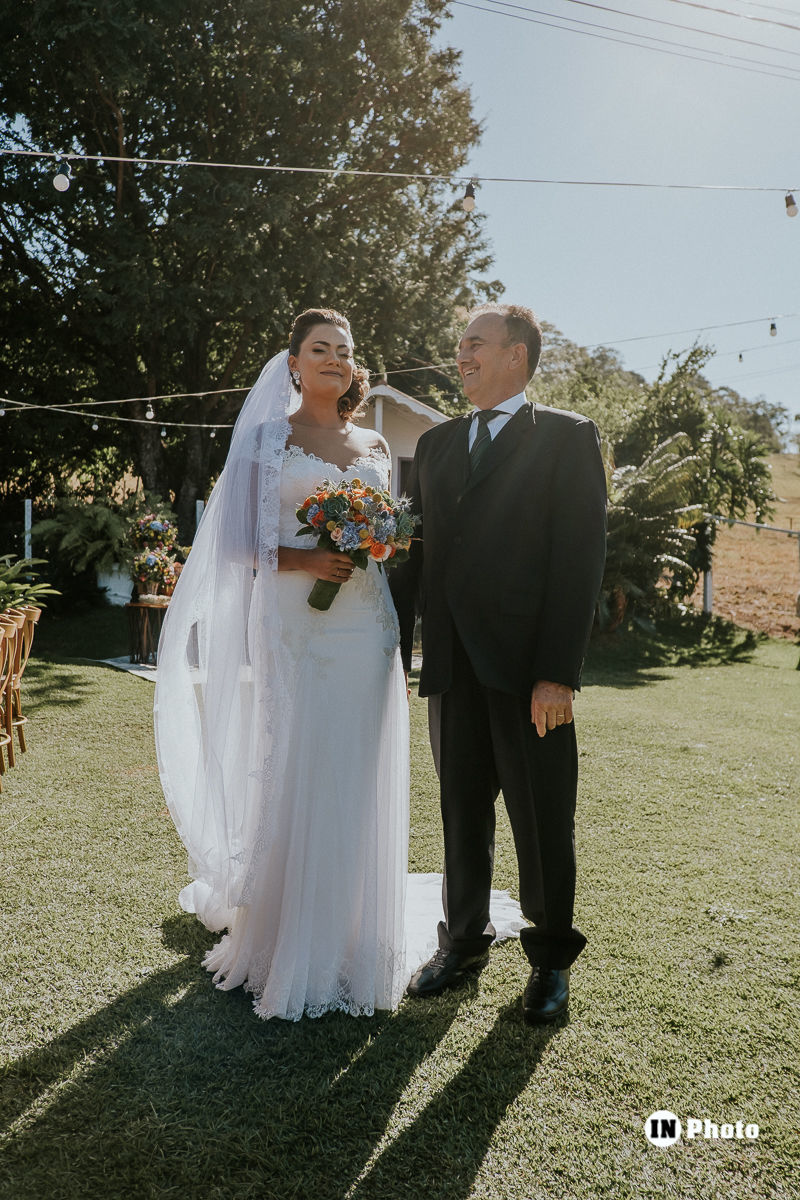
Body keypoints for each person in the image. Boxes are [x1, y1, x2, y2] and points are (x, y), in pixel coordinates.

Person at [155, 306, 526, 1021]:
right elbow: (233, 542)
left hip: (365, 624)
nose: (333, 359)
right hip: (295, 622)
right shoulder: (267, 439)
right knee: (298, 759)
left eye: (344, 350)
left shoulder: (377, 446)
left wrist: (378, 542)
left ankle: (358, 931)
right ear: (293, 363)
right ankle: (291, 933)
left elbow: (394, 535)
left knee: (356, 766)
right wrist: (303, 556)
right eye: (319, 348)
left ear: (355, 366)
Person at [390, 303, 607, 1024]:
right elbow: (412, 558)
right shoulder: (436, 445)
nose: (462, 356)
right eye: (459, 346)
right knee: (460, 815)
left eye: (475, 344)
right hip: (451, 667)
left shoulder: (569, 439)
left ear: (517, 355)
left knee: (541, 821)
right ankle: (463, 943)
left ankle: (548, 962)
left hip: (528, 675)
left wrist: (558, 672)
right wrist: (390, 648)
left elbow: (578, 562)